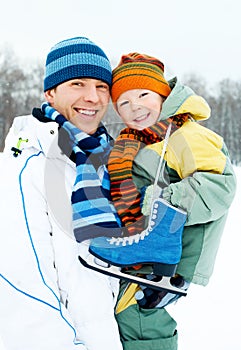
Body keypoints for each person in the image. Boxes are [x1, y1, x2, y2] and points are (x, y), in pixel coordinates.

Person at [101, 53, 236, 350]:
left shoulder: (186, 135)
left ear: (164, 94)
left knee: (138, 316)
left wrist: (159, 202)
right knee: (132, 314)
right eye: (123, 102)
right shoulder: (142, 140)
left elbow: (219, 184)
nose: (134, 106)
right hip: (148, 247)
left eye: (143, 95)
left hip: (171, 256)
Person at [0, 37, 123, 350]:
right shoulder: (26, 166)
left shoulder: (107, 164)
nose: (92, 97)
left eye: (101, 86)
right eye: (77, 84)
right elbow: (23, 294)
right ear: (50, 92)